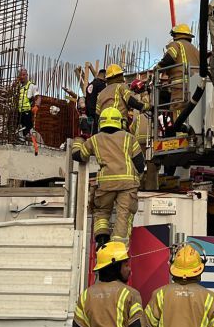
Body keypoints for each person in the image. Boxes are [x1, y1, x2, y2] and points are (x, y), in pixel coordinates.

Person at [72, 107, 145, 249]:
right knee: (123, 216)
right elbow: (140, 165)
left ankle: (102, 240)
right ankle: (118, 249)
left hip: (106, 185)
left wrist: (78, 141)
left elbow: (78, 156)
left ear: (101, 122)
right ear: (120, 122)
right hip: (128, 185)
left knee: (101, 212)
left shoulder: (95, 140)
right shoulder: (129, 138)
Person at [155, 24, 200, 122]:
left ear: (176, 35)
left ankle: (180, 130)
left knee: (178, 111)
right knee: (193, 115)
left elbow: (170, 58)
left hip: (180, 88)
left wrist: (158, 68)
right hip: (196, 88)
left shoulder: (176, 44)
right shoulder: (196, 50)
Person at [15, 68, 41, 142]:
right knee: (17, 129)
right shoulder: (17, 86)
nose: (22, 77)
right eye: (20, 75)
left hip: (26, 112)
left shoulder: (32, 86)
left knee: (27, 129)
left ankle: (31, 142)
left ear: (27, 75)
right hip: (17, 111)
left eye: (24, 75)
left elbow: (38, 97)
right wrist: (14, 84)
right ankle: (21, 140)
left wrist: (37, 106)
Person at [85, 67, 106, 133]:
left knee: (90, 133)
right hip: (97, 115)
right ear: (104, 76)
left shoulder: (90, 85)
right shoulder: (101, 85)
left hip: (89, 114)